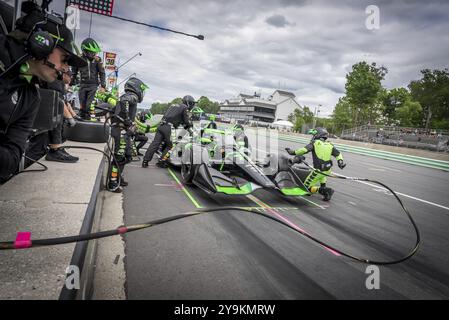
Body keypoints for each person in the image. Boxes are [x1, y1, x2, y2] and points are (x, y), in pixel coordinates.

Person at [0, 6, 86, 182]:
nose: (66, 68)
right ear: (42, 42)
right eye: (64, 59)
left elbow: (12, 160)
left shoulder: (30, 97)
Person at [107, 77, 149, 192]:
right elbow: (124, 101)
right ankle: (112, 182)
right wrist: (127, 120)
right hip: (121, 131)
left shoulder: (130, 97)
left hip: (123, 131)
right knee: (119, 158)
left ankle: (118, 177)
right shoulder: (131, 96)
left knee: (127, 156)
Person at [286, 127, 346, 201]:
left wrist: (293, 152)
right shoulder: (330, 145)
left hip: (318, 170)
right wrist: (340, 162)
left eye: (314, 135)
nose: (313, 137)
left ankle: (325, 191)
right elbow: (338, 154)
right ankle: (323, 187)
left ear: (318, 135)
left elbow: (304, 150)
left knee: (306, 188)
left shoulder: (315, 143)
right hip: (327, 170)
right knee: (322, 176)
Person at [142, 95, 195, 168]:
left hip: (161, 126)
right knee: (170, 146)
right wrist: (191, 126)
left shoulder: (173, 105)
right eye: (192, 103)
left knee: (154, 144)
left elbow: (172, 116)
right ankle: (162, 161)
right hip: (169, 128)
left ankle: (145, 161)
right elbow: (187, 122)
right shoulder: (185, 108)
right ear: (189, 103)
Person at [44, 69, 79, 163]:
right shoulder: (55, 80)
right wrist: (69, 117)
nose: (71, 79)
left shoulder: (61, 84)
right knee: (37, 148)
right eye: (70, 76)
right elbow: (57, 100)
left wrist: (74, 115)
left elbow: (65, 102)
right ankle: (54, 151)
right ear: (64, 75)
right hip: (44, 118)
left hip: (47, 117)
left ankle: (56, 149)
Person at [71, 37, 106, 121]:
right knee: (82, 107)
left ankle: (89, 120)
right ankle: (82, 121)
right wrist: (70, 83)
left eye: (94, 52)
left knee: (89, 106)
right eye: (91, 52)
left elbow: (102, 73)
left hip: (93, 86)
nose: (93, 54)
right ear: (84, 51)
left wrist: (103, 86)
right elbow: (74, 72)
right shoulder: (79, 58)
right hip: (82, 85)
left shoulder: (98, 60)